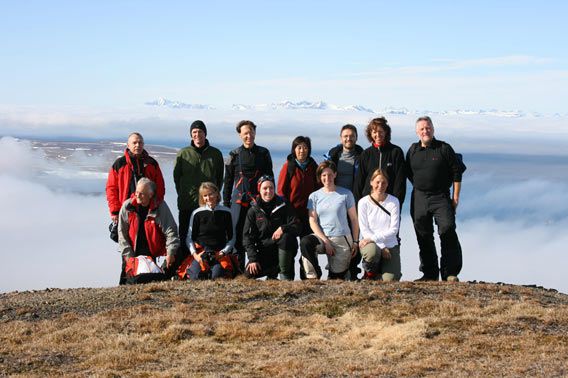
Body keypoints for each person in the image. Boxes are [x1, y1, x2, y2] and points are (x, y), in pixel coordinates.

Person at [406, 116, 463, 282]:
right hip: (419, 197)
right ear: (417, 132)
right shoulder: (413, 150)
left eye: (428, 127)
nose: (425, 131)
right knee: (423, 234)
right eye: (422, 129)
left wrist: (455, 198)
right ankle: (429, 274)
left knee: (447, 229)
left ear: (433, 129)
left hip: (441, 196)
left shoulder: (444, 148)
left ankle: (450, 273)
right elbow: (409, 172)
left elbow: (457, 172)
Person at [106, 132, 166, 284]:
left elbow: (160, 187)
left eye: (140, 142)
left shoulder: (152, 163)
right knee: (127, 251)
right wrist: (115, 211)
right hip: (127, 213)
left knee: (149, 248)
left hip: (148, 213)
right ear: (128, 145)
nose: (137, 145)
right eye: (134, 142)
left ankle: (151, 282)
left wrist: (156, 205)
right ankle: (126, 284)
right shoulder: (119, 165)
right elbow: (111, 189)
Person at [223, 120, 274, 273]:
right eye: (245, 133)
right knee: (236, 235)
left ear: (255, 133)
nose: (248, 136)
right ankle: (237, 271)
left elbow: (269, 178)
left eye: (251, 132)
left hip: (258, 202)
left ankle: (259, 269)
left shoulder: (264, 153)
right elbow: (228, 181)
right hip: (237, 201)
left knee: (259, 234)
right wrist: (226, 203)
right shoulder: (234, 154)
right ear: (240, 135)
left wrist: (269, 199)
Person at [173, 120, 224, 261]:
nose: (197, 135)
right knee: (185, 235)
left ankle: (206, 265)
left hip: (208, 204)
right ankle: (184, 268)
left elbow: (219, 178)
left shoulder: (215, 154)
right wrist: (184, 194)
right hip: (187, 203)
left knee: (206, 236)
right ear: (191, 135)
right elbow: (177, 178)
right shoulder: (183, 154)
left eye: (200, 131)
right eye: (194, 132)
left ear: (205, 133)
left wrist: (214, 196)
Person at [300, 161, 359, 280]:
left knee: (336, 279)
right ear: (320, 177)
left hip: (341, 238)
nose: (327, 178)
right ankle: (313, 277)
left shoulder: (346, 194)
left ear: (335, 174)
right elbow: (313, 221)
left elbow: (353, 219)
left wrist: (356, 241)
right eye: (324, 175)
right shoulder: (314, 196)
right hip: (322, 238)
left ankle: (340, 274)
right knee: (306, 242)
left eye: (330, 174)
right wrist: (325, 241)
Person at [117, 178, 179, 283]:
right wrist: (129, 257)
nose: (137, 195)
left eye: (141, 194)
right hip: (132, 252)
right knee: (127, 282)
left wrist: (170, 252)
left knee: (152, 280)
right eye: (136, 192)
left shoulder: (160, 207)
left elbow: (171, 230)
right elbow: (122, 234)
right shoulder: (127, 207)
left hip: (151, 253)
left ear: (150, 195)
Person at [244, 176, 301, 280]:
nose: (268, 191)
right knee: (248, 274)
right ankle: (272, 272)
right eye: (265, 188)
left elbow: (297, 226)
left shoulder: (284, 204)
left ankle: (285, 275)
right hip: (265, 250)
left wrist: (283, 228)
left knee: (286, 237)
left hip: (284, 249)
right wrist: (253, 259)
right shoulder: (253, 210)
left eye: (271, 188)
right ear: (259, 190)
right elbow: (247, 237)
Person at [358, 169, 401, 281]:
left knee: (390, 280)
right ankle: (370, 274)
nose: (380, 185)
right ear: (371, 182)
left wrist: (382, 244)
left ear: (387, 184)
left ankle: (380, 274)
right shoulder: (363, 202)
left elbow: (394, 230)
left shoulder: (394, 201)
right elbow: (364, 230)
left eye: (384, 183)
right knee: (372, 252)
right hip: (371, 244)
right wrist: (381, 247)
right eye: (377, 182)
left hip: (390, 244)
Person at [184, 182, 234, 280]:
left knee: (216, 277)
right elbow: (189, 238)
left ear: (217, 194)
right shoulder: (196, 213)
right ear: (202, 198)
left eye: (211, 194)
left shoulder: (227, 212)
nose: (208, 198)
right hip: (201, 253)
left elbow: (232, 237)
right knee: (196, 277)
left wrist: (223, 252)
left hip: (219, 254)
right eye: (205, 195)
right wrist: (195, 255)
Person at [353, 117, 406, 205]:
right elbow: (359, 182)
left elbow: (400, 182)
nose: (378, 135)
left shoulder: (396, 152)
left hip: (390, 203)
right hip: (368, 203)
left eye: (381, 131)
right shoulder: (366, 154)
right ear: (370, 134)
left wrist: (397, 204)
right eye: (374, 132)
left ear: (386, 132)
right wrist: (358, 206)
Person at [277, 136, 320, 237]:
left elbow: (319, 187)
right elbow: (281, 191)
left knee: (307, 243)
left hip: (309, 212)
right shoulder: (288, 166)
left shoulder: (313, 166)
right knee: (289, 241)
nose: (302, 151)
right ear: (294, 149)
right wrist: (286, 210)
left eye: (305, 148)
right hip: (292, 212)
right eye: (299, 147)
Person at [325, 124, 364, 193]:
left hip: (354, 197)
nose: (349, 139)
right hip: (335, 196)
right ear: (341, 138)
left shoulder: (363, 157)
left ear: (356, 138)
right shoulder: (332, 156)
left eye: (352, 136)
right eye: (345, 136)